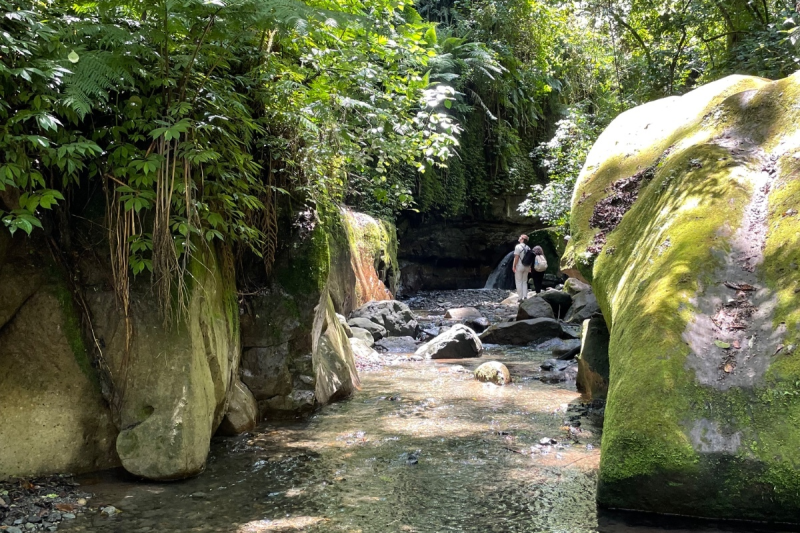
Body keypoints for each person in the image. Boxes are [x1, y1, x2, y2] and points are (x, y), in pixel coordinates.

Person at [512, 234, 530, 300]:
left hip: (519, 266)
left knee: (518, 281)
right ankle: (525, 296)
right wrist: (530, 267)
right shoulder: (528, 247)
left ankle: (520, 298)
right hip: (527, 266)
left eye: (520, 237)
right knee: (524, 281)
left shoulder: (518, 247)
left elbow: (516, 257)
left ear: (522, 239)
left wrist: (514, 266)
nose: (519, 238)